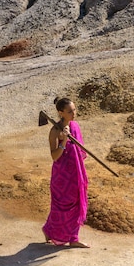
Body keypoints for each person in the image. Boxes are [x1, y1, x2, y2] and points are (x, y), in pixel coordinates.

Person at [41, 97, 90, 248]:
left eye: (74, 109)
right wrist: (63, 141)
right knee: (61, 206)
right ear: (61, 113)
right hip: (62, 176)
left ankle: (73, 238)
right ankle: (49, 230)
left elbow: (80, 151)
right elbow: (54, 156)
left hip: (75, 172)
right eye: (70, 111)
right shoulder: (55, 131)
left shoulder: (75, 126)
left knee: (76, 203)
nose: (74, 113)